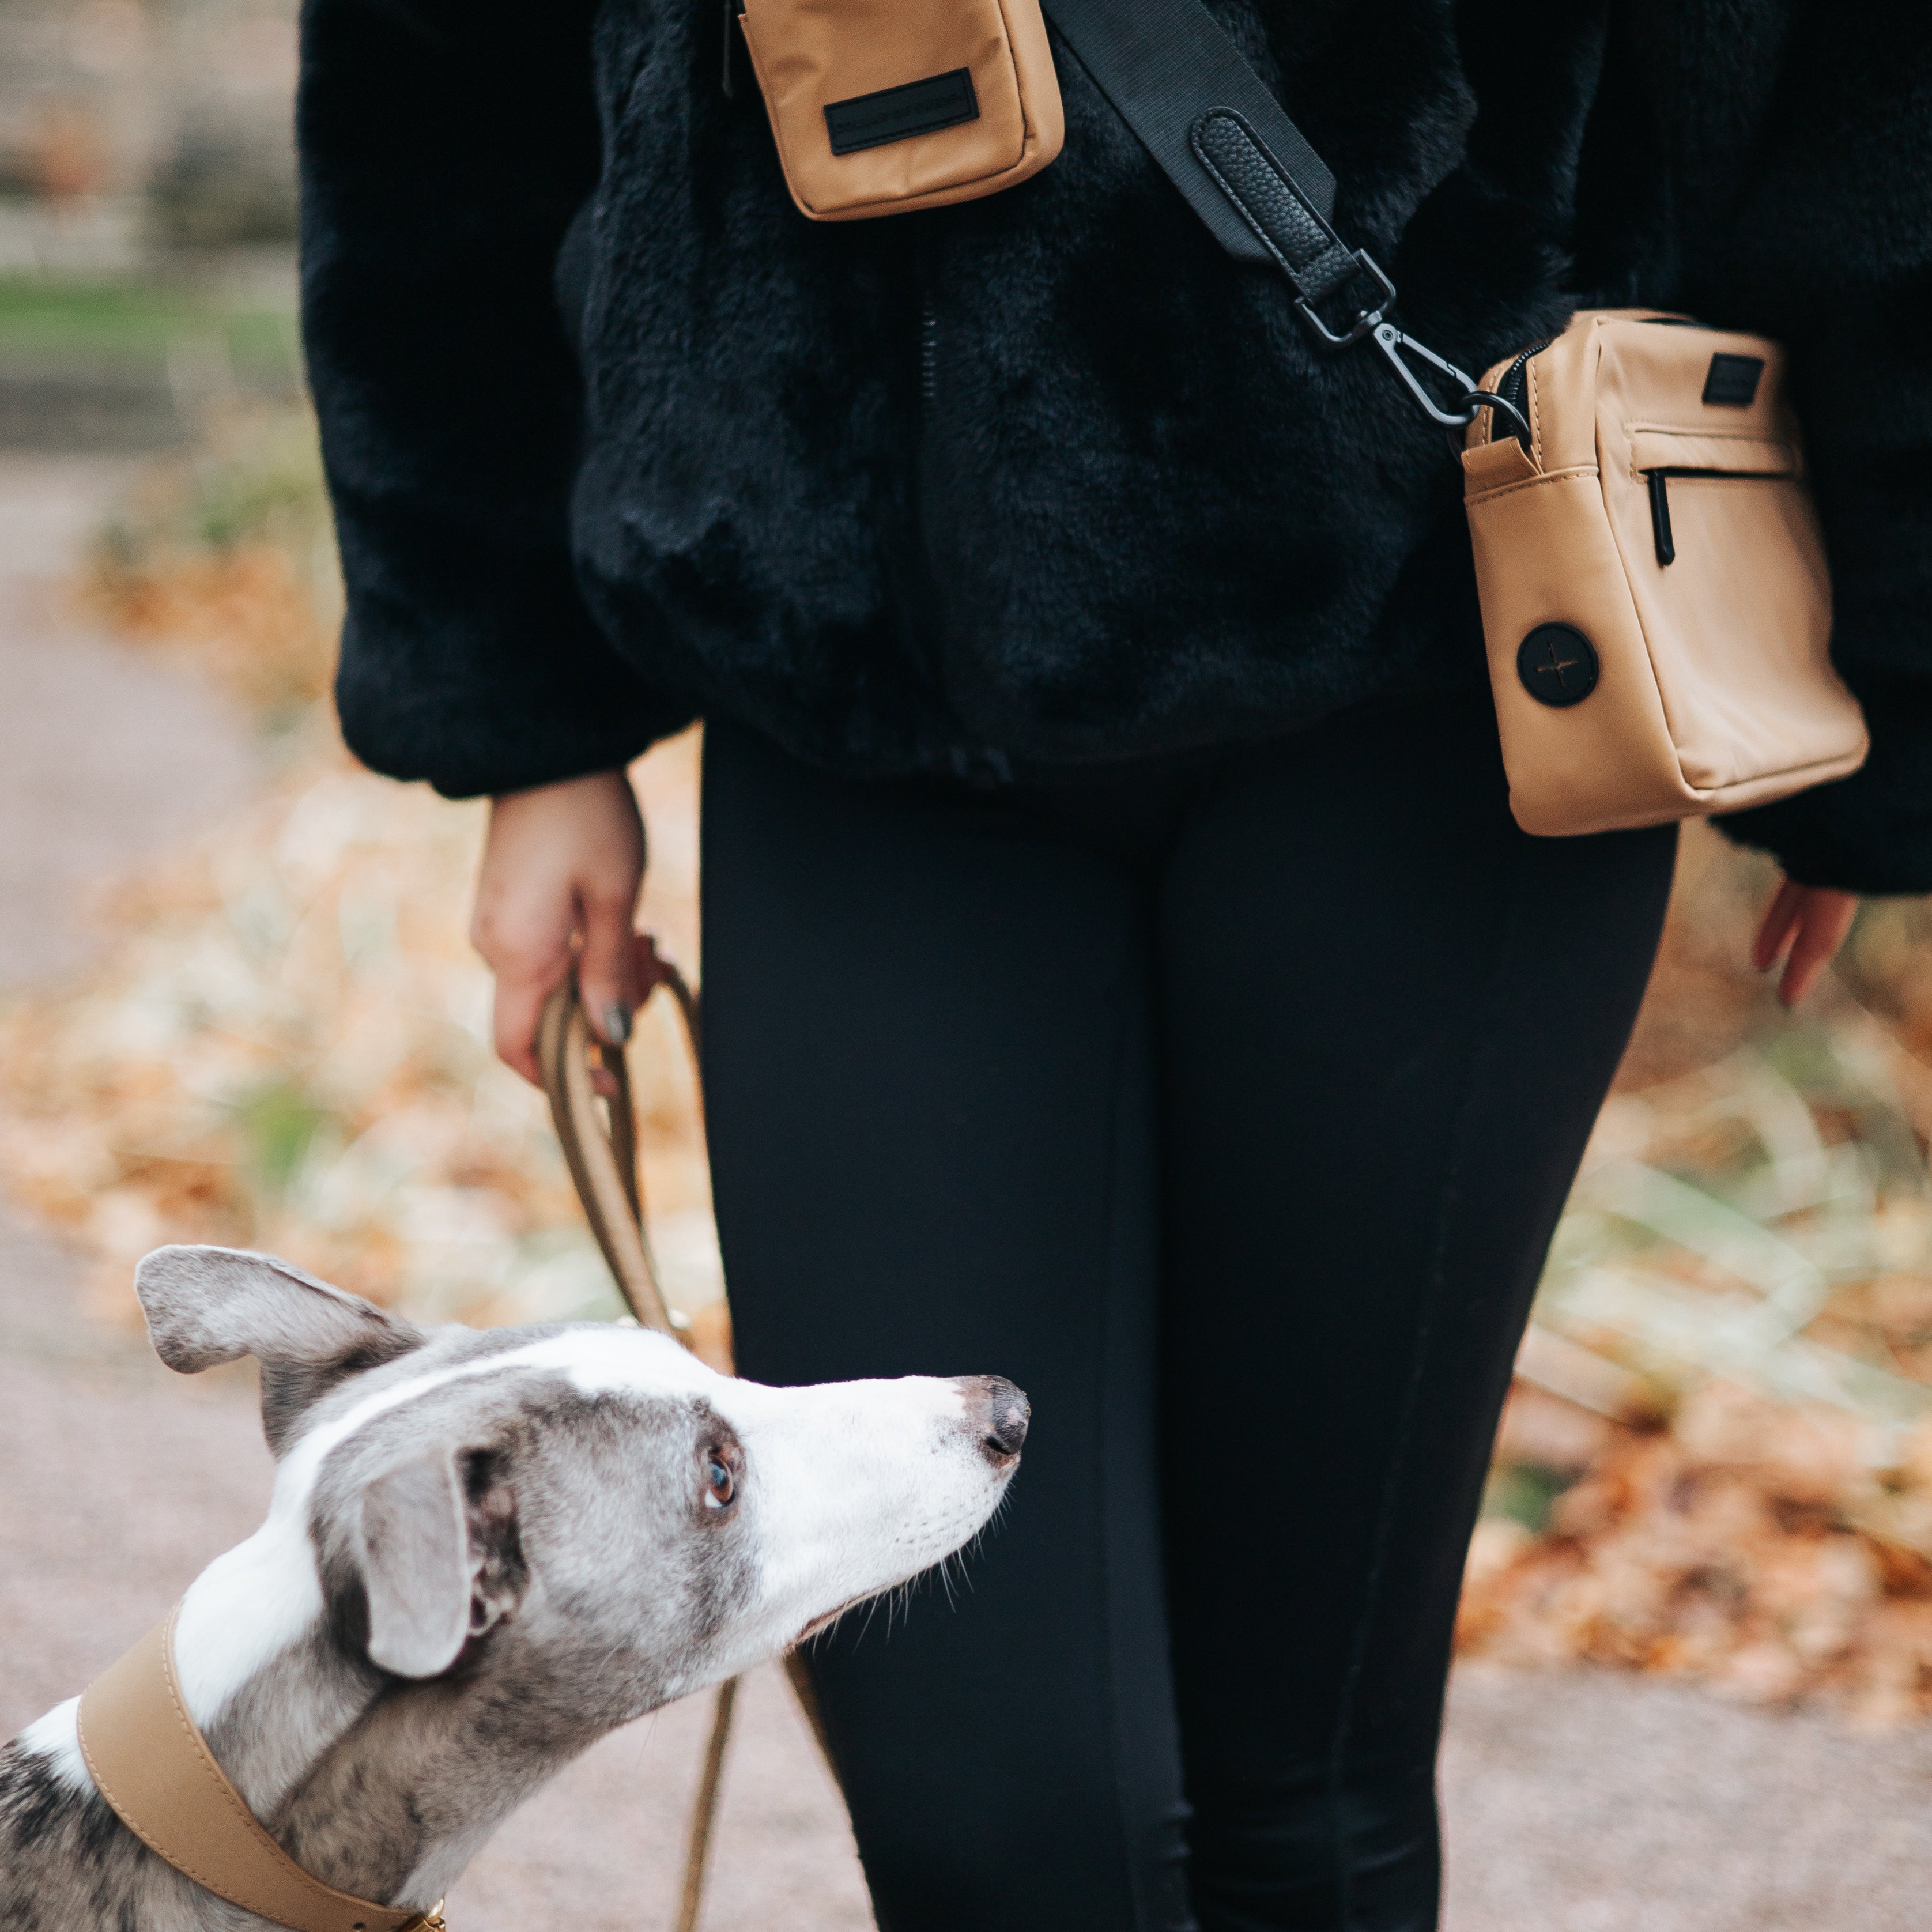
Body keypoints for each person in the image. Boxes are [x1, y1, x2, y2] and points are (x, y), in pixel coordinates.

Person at [298, 3, 1927, 1927]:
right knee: (987, 1812)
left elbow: (1852, 95)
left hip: (1454, 673)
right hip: (861, 698)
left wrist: (1877, 704)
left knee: (1298, 1796)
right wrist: (526, 716)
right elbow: (440, 93)